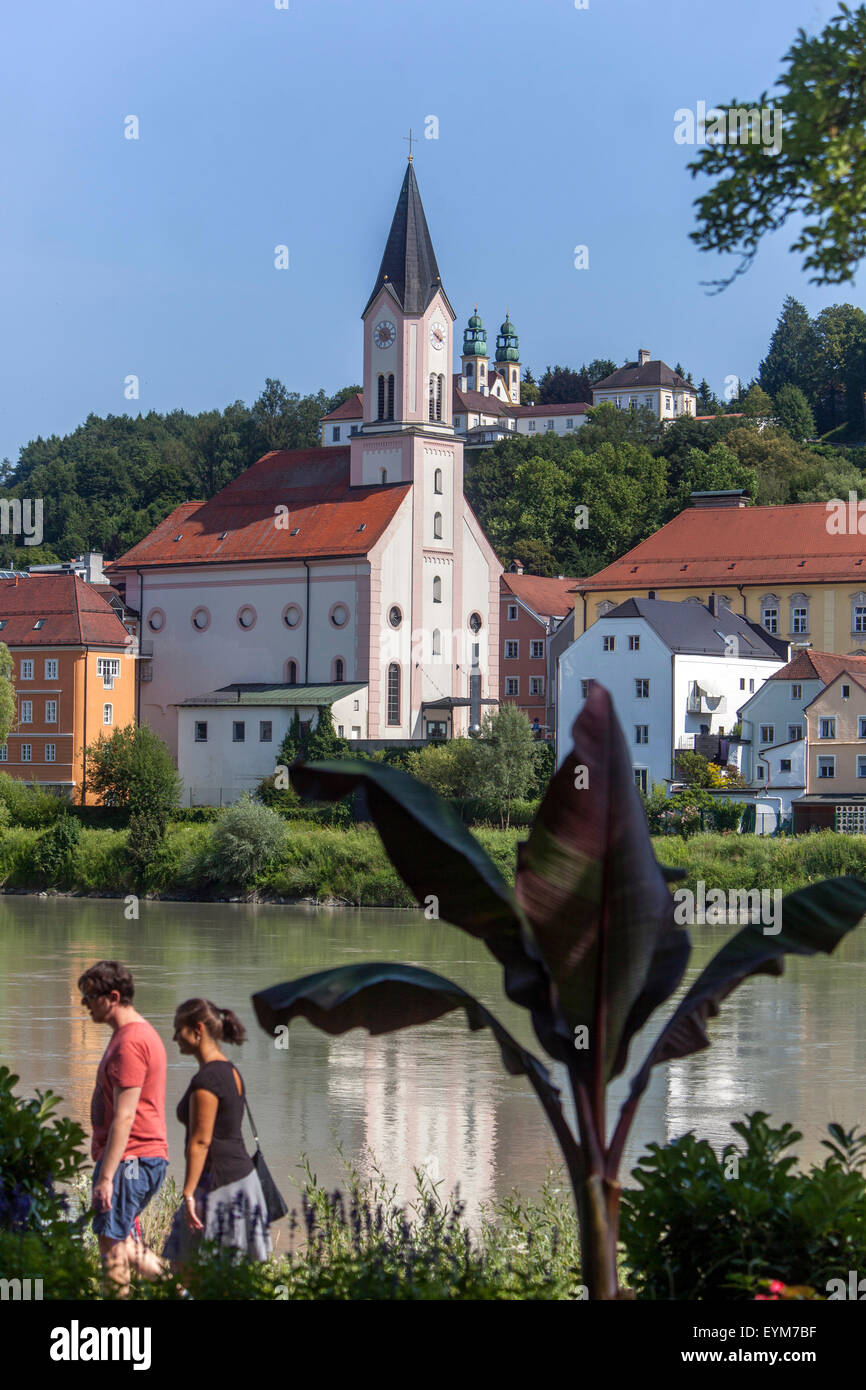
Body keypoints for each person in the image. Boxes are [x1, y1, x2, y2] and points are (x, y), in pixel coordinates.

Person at [79, 960, 169, 1294]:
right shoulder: (131, 1034)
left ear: (113, 997)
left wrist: (105, 1178)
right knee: (120, 1240)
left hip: (130, 1160)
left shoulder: (130, 1042)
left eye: (90, 996)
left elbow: (125, 1117)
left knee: (112, 1248)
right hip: (133, 1158)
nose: (84, 1004)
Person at [163, 998, 271, 1268]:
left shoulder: (208, 1080)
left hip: (219, 1186)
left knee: (187, 1270)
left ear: (198, 1029)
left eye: (179, 1029)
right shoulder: (230, 1070)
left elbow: (200, 1141)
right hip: (243, 1181)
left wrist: (188, 1194)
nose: (175, 1037)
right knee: (217, 1274)